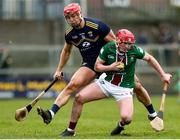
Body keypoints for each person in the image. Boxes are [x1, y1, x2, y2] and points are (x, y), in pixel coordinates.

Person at [37, 3, 158, 136]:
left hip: (110, 62)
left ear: (80, 14)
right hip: (90, 64)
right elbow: (66, 51)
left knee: (138, 86)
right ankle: (51, 113)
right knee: (72, 85)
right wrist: (59, 69)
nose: (71, 19)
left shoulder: (97, 26)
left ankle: (152, 114)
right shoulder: (70, 34)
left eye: (73, 16)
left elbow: (115, 44)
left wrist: (120, 65)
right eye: (68, 17)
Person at [63, 29, 172, 136]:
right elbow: (97, 66)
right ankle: (70, 130)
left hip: (124, 89)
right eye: (126, 43)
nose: (128, 46)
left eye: (130, 43)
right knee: (78, 98)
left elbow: (150, 58)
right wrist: (110, 67)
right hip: (106, 83)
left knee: (127, 118)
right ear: (118, 41)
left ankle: (121, 125)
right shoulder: (108, 48)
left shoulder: (134, 50)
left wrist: (163, 75)